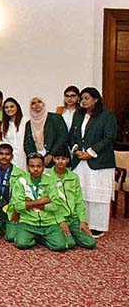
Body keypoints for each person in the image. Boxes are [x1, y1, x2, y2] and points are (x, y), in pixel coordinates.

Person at [68, 87, 117, 237]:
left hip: (99, 161)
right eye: (81, 98)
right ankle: (82, 222)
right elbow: (72, 136)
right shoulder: (78, 115)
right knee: (81, 193)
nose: (83, 101)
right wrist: (76, 150)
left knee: (97, 194)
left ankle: (97, 226)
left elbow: (109, 137)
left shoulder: (106, 115)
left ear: (95, 100)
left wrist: (90, 153)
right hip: (80, 160)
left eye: (86, 98)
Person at [10, 154, 67, 251]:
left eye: (39, 166)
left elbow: (56, 205)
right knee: (21, 243)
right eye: (32, 166)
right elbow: (18, 206)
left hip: (48, 222)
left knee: (60, 246)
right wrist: (41, 201)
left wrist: (29, 203)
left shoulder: (50, 181)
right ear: (27, 167)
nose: (35, 169)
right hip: (28, 221)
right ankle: (35, 237)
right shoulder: (21, 182)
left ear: (43, 167)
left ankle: (42, 238)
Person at [47, 149, 96, 249]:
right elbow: (49, 204)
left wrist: (82, 221)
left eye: (63, 159)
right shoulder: (47, 177)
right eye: (57, 159)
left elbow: (79, 201)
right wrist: (60, 221)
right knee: (69, 244)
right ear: (53, 159)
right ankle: (54, 235)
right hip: (56, 219)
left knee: (90, 243)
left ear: (68, 160)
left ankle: (72, 234)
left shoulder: (74, 177)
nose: (60, 161)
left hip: (73, 219)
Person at [0, 143, 27, 241]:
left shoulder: (20, 174)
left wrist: (17, 211)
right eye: (1, 154)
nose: (4, 157)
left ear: (11, 156)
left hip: (11, 210)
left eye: (7, 154)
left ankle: (7, 226)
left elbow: (21, 196)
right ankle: (0, 225)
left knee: (11, 237)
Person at [24, 96, 68, 167]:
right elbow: (27, 144)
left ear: (44, 104)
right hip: (37, 164)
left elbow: (63, 137)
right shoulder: (29, 124)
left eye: (39, 102)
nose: (36, 104)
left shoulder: (55, 118)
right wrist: (35, 159)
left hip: (56, 160)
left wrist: (51, 154)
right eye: (33, 103)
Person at [2, 97, 28, 170]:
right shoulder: (4, 125)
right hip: (11, 158)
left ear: (17, 107)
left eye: (12, 106)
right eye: (6, 107)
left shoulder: (26, 120)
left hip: (25, 156)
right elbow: (5, 142)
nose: (9, 109)